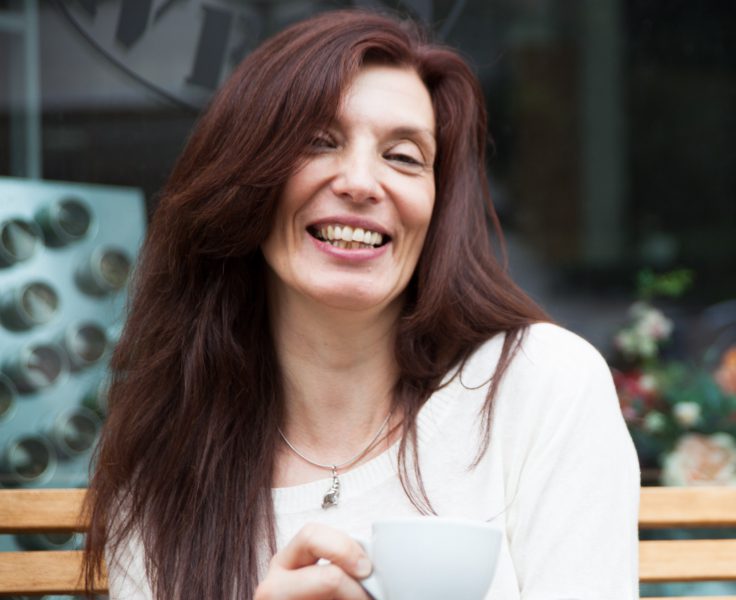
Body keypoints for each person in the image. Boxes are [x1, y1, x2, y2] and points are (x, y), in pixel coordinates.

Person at [83, 9, 639, 599]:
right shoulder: (168, 458)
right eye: (319, 142)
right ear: (245, 178)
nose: (360, 182)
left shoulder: (542, 384)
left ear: (438, 208)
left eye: (403, 157)